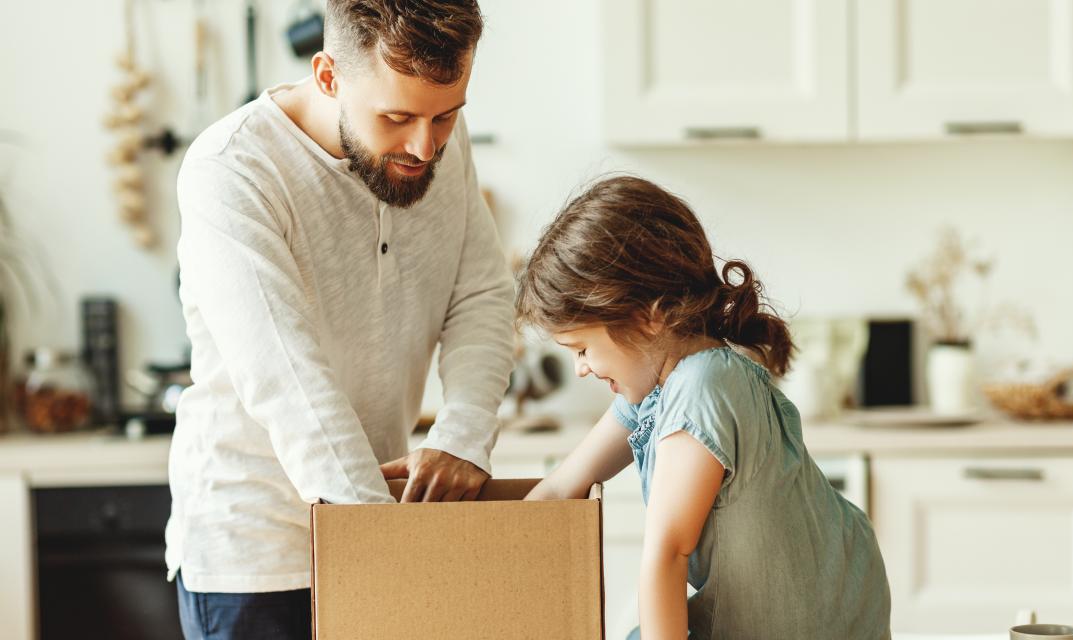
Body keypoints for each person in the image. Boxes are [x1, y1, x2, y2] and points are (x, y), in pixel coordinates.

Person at [167, 1, 513, 638]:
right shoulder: (232, 169)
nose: (424, 146)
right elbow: (286, 377)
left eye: (445, 116)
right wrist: (381, 539)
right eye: (397, 118)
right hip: (258, 556)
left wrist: (464, 435)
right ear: (328, 75)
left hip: (379, 528)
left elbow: (482, 294)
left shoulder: (436, 138)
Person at [520, 176, 891, 639]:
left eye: (581, 348)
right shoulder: (653, 389)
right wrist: (485, 548)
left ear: (647, 318)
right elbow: (561, 488)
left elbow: (667, 554)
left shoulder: (702, 387)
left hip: (818, 614)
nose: (580, 369)